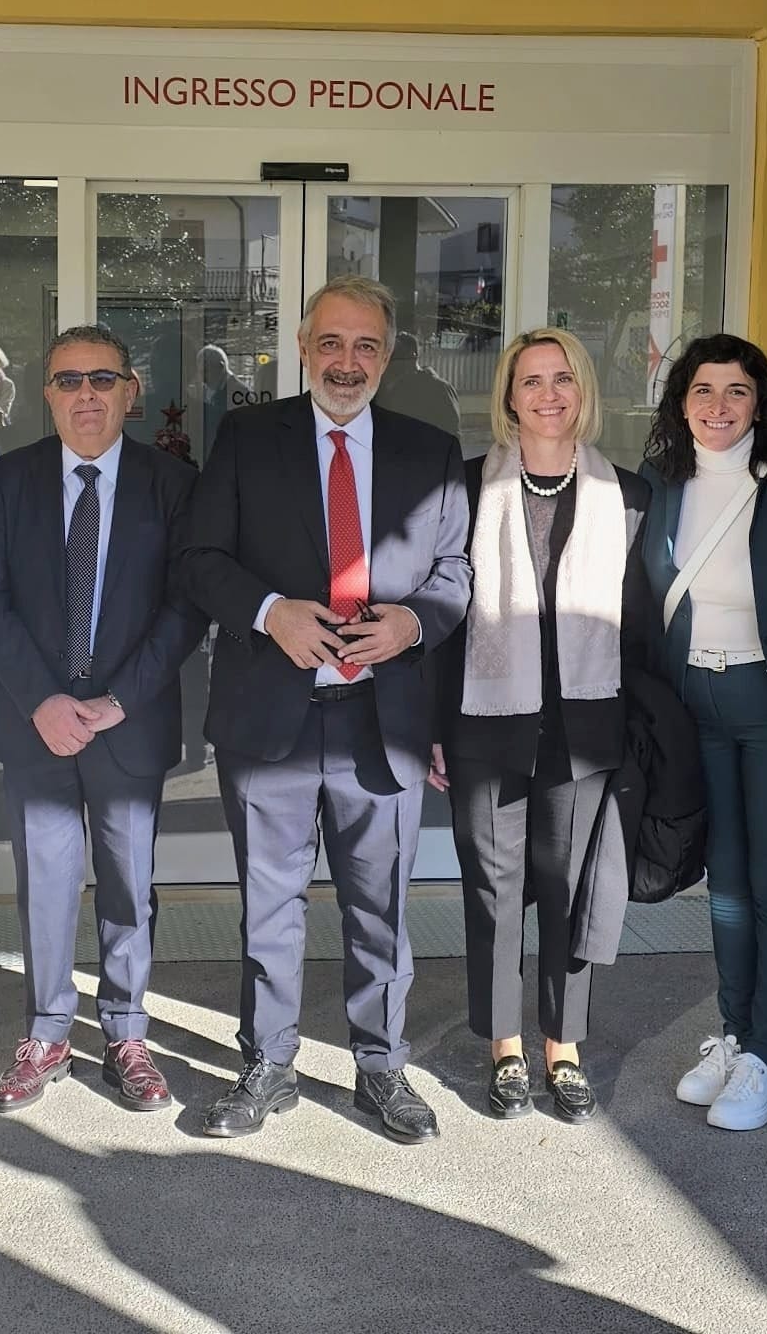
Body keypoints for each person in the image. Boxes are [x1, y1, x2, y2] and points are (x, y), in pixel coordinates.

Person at [182, 274, 470, 1145]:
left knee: (379, 905)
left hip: (381, 720)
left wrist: (413, 623)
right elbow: (200, 558)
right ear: (303, 348)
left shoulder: (429, 449)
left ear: (388, 355)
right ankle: (268, 1064)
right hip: (268, 715)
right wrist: (272, 612)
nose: (348, 363)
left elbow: (456, 573)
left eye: (366, 346)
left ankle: (381, 1066)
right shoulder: (246, 437)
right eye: (332, 343)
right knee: (269, 905)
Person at [0, 324, 206, 1114]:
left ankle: (126, 1034)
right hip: (36, 721)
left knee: (128, 887)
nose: (86, 395)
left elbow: (185, 607)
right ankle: (45, 1034)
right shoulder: (11, 479)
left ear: (130, 391)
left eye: (102, 379)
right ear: (48, 394)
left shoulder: (172, 484)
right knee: (44, 885)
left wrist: (119, 699)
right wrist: (42, 699)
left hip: (128, 722)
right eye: (68, 380)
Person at [431, 329, 653, 1125]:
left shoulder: (628, 497)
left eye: (563, 379)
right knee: (494, 890)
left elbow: (641, 626)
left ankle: (564, 1046)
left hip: (587, 721)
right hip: (486, 720)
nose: (548, 394)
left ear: (583, 390)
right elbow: (445, 617)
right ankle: (505, 1048)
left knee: (568, 887)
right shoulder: (466, 489)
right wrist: (433, 724)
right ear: (509, 396)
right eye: (531, 381)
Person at [639, 335, 767, 1131]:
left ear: (760, 404)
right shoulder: (660, 483)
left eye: (737, 391)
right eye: (703, 391)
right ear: (681, 403)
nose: (719, 406)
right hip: (694, 707)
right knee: (727, 888)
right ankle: (736, 1035)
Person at [376, 332, 460, 438]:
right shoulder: (393, 390)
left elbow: (452, 433)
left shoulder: (440, 388)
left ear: (413, 355)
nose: (392, 362)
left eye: (399, 356)